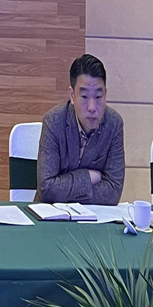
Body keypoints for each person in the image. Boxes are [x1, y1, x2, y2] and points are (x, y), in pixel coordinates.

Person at [36, 54, 124, 205]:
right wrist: (89, 177)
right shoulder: (54, 121)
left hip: (97, 215)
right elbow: (47, 190)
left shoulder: (114, 124)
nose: (92, 107)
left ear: (105, 94)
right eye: (84, 96)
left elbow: (113, 192)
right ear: (72, 95)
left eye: (98, 97)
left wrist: (65, 190)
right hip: (52, 215)